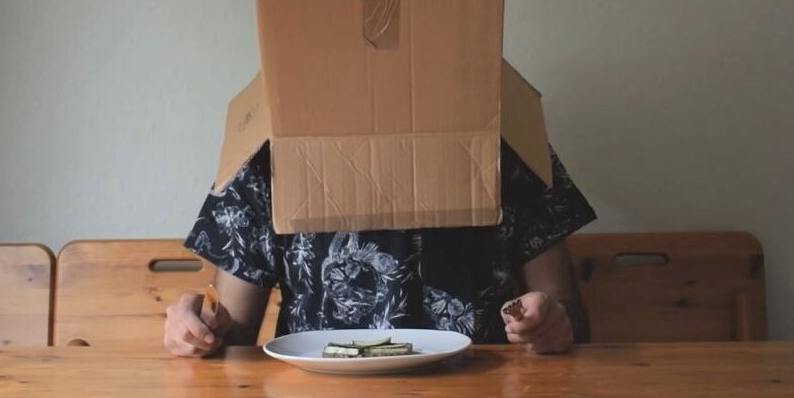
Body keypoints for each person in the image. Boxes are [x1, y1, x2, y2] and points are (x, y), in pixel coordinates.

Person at [164, 141, 595, 356]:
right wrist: (198, 328)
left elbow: (569, 313)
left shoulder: (504, 142)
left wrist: (553, 322)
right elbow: (232, 334)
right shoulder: (268, 156)